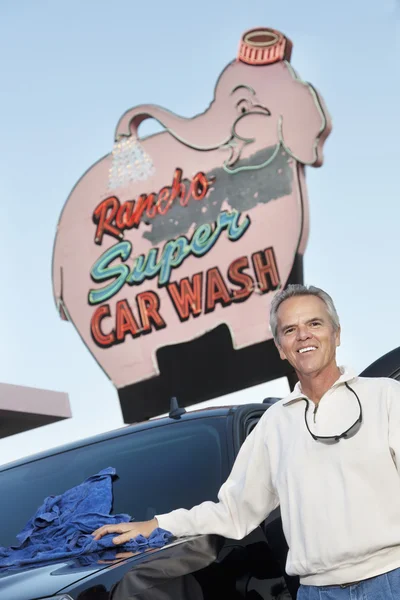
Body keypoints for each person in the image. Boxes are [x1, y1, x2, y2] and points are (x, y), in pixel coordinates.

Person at [93, 284, 400, 599]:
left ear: (336, 334)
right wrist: (156, 524)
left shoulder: (386, 396)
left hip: (392, 579)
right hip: (318, 592)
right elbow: (234, 512)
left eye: (314, 323)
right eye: (290, 329)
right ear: (280, 347)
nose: (303, 335)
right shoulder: (273, 425)